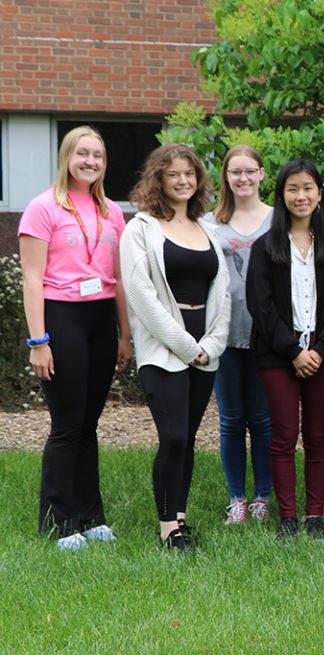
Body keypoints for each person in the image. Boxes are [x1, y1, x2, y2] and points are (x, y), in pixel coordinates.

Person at [19, 126, 131, 550]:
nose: (90, 161)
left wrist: (125, 334)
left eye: (98, 155)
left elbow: (117, 279)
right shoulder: (42, 207)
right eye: (82, 153)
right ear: (67, 156)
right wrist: (39, 341)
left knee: (89, 425)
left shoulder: (111, 211)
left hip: (101, 317)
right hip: (61, 316)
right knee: (67, 425)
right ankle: (58, 522)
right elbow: (32, 280)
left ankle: (91, 517)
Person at [121, 143, 229, 553]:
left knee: (188, 436)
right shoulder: (141, 228)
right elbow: (141, 294)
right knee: (173, 438)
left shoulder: (209, 229)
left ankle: (180, 517)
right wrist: (187, 346)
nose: (183, 181)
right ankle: (168, 527)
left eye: (190, 173)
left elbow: (224, 292)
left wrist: (212, 344)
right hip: (165, 348)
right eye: (173, 174)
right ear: (159, 180)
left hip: (205, 349)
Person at [247, 160, 324, 541]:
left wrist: (320, 350)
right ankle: (288, 517)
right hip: (279, 354)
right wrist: (293, 351)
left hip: (321, 355)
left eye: (308, 188)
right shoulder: (266, 247)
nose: (300, 195)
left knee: (319, 435)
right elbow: (260, 306)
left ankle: (314, 516)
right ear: (281, 196)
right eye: (292, 188)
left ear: (319, 195)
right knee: (284, 434)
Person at [203, 145, 274, 525]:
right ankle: (238, 498)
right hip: (223, 334)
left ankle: (263, 496)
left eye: (250, 171)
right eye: (235, 172)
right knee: (230, 419)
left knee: (262, 419)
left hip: (266, 336)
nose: (243, 178)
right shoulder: (208, 222)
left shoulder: (277, 220)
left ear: (262, 174)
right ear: (226, 177)